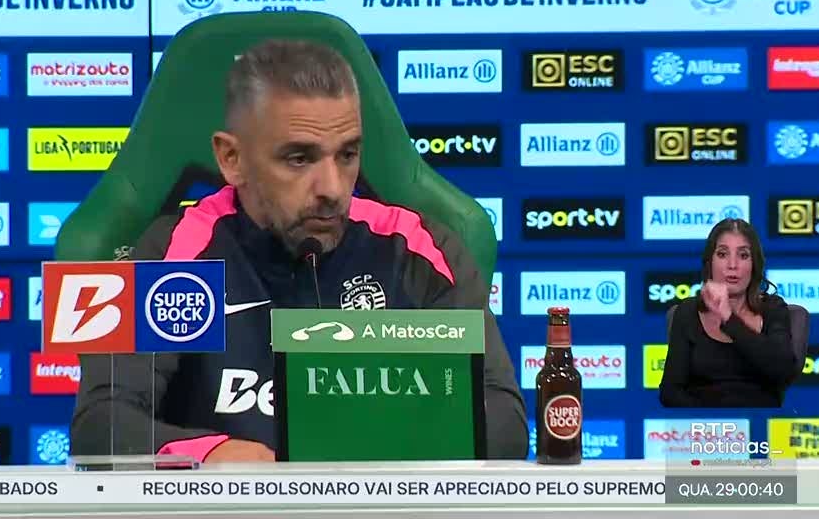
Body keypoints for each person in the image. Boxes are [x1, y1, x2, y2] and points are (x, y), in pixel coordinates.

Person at [70, 38, 528, 462]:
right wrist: (210, 455)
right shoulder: (171, 254)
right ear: (232, 159)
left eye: (347, 155)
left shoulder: (418, 249)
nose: (331, 188)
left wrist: (376, 455)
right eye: (299, 158)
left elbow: (504, 423)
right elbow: (101, 425)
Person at [659, 218, 799, 408]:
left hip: (759, 423)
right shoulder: (688, 312)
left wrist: (729, 319)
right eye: (722, 254)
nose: (732, 265)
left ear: (754, 264)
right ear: (710, 262)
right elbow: (670, 393)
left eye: (743, 255)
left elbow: (783, 372)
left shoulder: (773, 309)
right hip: (703, 424)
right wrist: (717, 422)